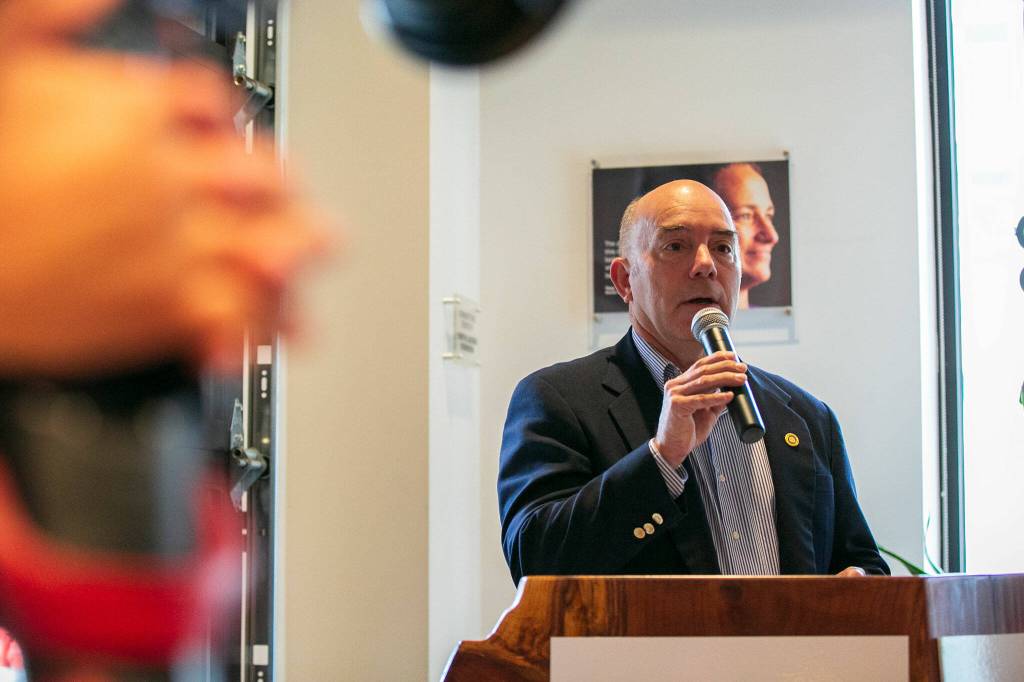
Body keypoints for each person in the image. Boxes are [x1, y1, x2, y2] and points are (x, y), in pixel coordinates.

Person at [498, 180, 887, 584]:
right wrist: (662, 458)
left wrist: (857, 581)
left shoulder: (806, 416)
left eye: (723, 248)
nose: (706, 264)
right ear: (625, 280)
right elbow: (534, 561)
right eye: (676, 246)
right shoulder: (557, 399)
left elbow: (862, 561)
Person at [711, 163, 779, 309]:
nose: (772, 236)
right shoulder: (676, 329)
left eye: (769, 215)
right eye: (746, 216)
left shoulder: (767, 323)